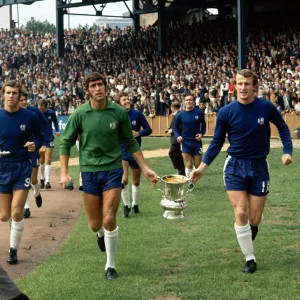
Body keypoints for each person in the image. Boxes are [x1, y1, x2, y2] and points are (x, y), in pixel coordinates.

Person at [190, 69, 293, 273]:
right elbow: (217, 142)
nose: (243, 87)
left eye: (247, 84)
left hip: (259, 166)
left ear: (254, 86)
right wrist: (201, 168)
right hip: (235, 166)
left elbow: (282, 127)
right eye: (239, 84)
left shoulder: (266, 107)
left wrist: (287, 151)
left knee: (254, 218)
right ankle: (250, 258)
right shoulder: (226, 112)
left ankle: (246, 231)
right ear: (234, 86)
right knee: (241, 212)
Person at [59, 73, 158, 280]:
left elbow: (130, 142)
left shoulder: (118, 112)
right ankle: (100, 234)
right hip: (89, 172)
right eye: (93, 86)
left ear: (106, 87)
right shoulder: (79, 114)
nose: (98, 89)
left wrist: (146, 168)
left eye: (101, 84)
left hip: (113, 170)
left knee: (110, 217)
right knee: (95, 223)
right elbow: (65, 143)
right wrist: (64, 172)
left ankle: (110, 265)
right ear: (87, 90)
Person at [0, 80, 43, 264]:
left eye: (14, 93)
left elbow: (41, 137)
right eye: (8, 93)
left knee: (17, 211)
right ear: (3, 95)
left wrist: (36, 145)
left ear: (20, 96)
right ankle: (13, 225)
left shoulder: (30, 116)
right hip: (2, 167)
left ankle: (13, 250)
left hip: (22, 166)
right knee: (4, 215)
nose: (11, 96)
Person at [117, 92, 152, 218]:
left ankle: (135, 205)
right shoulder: (116, 115)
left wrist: (139, 133)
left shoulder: (137, 114)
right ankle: (126, 206)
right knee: (124, 180)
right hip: (121, 151)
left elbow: (149, 129)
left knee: (136, 181)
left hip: (136, 151)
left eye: (127, 99)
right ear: (119, 103)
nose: (127, 101)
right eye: (124, 99)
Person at [19, 90, 52, 218]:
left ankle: (37, 193)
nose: (23, 102)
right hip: (20, 150)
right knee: (24, 178)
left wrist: (44, 143)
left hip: (34, 148)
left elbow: (45, 126)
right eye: (20, 100)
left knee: (33, 179)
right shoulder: (13, 112)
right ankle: (26, 207)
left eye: (24, 99)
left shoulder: (34, 111)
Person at [173, 95, 206, 189]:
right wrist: (177, 136)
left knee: (197, 165)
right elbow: (175, 127)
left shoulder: (199, 113)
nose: (189, 101)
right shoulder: (180, 114)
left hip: (196, 142)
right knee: (188, 164)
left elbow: (203, 125)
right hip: (185, 142)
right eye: (187, 100)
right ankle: (190, 182)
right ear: (184, 102)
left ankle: (193, 178)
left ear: (193, 101)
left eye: (190, 100)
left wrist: (201, 134)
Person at [37, 99, 61, 189]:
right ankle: (42, 178)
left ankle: (47, 181)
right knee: (41, 159)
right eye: (39, 108)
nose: (40, 110)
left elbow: (55, 122)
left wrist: (57, 130)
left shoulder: (51, 113)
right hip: (40, 139)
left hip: (49, 138)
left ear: (46, 107)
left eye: (42, 109)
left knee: (48, 158)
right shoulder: (36, 114)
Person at [166, 101, 185, 176]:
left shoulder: (179, 115)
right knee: (177, 154)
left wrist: (172, 130)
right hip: (175, 138)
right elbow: (174, 125)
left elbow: (181, 127)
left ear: (173, 108)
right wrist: (169, 129)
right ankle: (181, 171)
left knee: (172, 153)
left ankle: (179, 170)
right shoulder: (177, 114)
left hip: (177, 138)